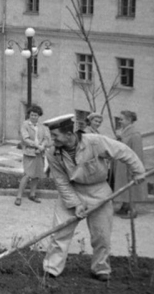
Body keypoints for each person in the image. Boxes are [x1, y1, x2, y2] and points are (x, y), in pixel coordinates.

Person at [42, 114, 146, 281]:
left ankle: (100, 268)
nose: (52, 139)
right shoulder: (53, 152)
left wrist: (138, 171)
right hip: (72, 190)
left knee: (102, 235)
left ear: (69, 134)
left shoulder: (94, 142)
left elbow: (123, 151)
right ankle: (51, 268)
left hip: (98, 191)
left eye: (55, 135)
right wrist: (75, 204)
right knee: (60, 232)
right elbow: (61, 182)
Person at [113, 110, 148, 218]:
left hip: (129, 165)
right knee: (124, 185)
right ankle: (125, 206)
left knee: (132, 186)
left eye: (122, 119)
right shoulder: (125, 131)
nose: (120, 121)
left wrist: (135, 168)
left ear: (129, 120)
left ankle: (133, 211)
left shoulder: (135, 134)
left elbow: (137, 153)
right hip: (122, 165)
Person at [15, 105, 51, 206]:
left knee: (37, 175)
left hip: (39, 153)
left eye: (36, 115)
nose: (34, 117)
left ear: (39, 116)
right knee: (27, 175)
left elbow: (46, 138)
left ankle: (32, 194)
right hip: (29, 153)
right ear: (29, 115)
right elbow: (25, 139)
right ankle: (18, 196)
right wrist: (37, 145)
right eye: (32, 115)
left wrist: (42, 146)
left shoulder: (42, 127)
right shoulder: (25, 125)